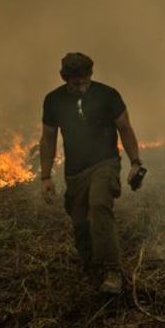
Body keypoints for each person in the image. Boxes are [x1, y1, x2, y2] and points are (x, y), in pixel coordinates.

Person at [39, 52, 143, 291]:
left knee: (98, 206)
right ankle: (90, 267)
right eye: (75, 82)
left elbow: (125, 129)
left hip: (105, 162)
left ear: (91, 74)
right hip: (75, 171)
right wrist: (45, 176)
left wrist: (135, 162)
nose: (81, 85)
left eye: (85, 79)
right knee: (80, 221)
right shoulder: (53, 100)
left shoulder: (108, 95)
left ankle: (111, 270)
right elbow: (48, 138)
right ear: (64, 77)